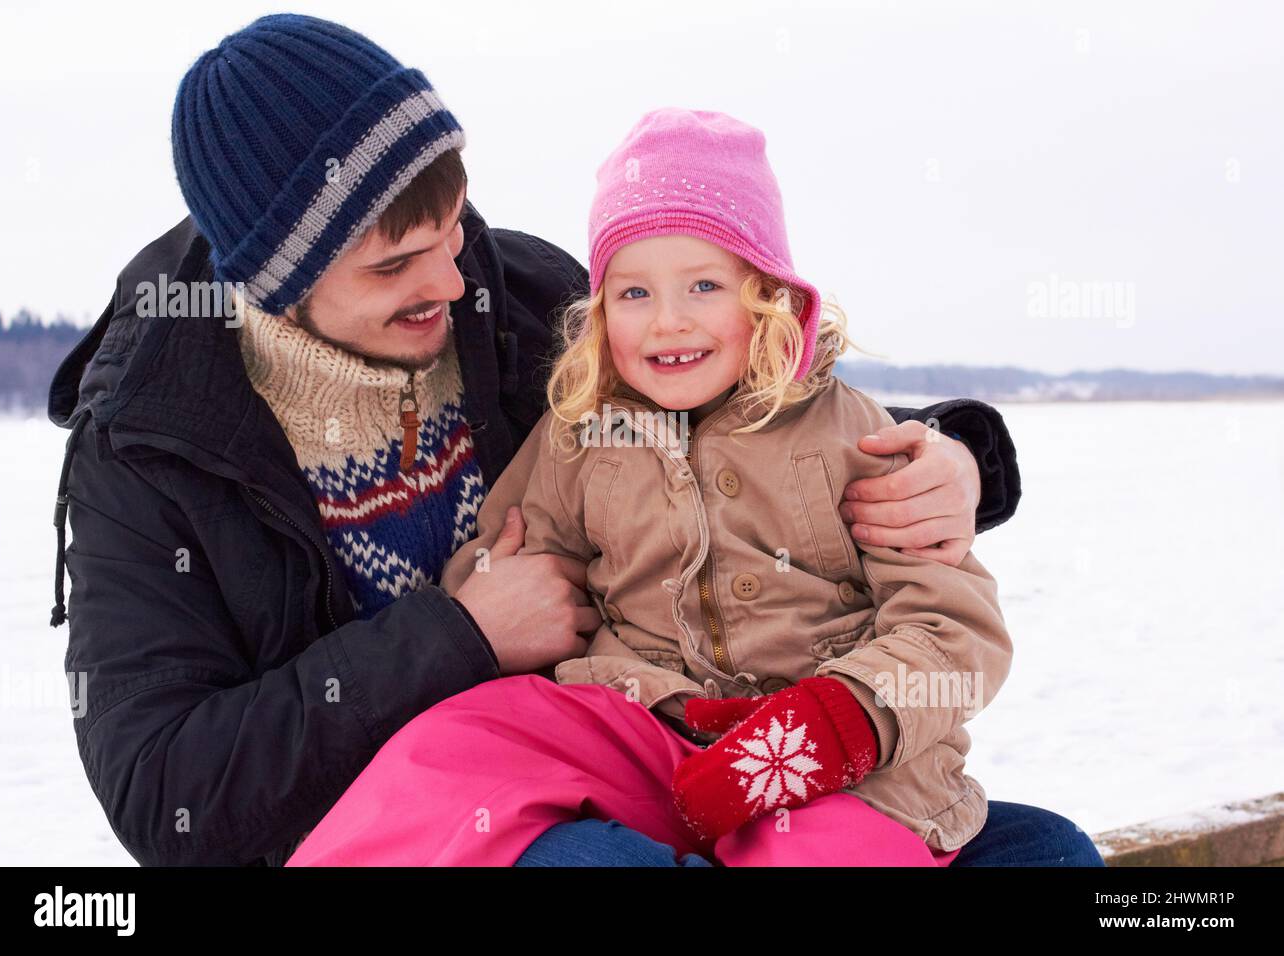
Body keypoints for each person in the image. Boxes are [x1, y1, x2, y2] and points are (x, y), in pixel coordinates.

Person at [48, 15, 1024, 867]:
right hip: (433, 819)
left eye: (449, 226)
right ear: (275, 283)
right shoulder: (148, 446)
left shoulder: (513, 293)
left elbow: (746, 399)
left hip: (683, 758)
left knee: (1040, 849)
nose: (447, 275)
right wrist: (459, 635)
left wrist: (955, 453)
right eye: (398, 264)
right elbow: (166, 799)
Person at [284, 109, 1100, 867]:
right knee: (460, 741)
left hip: (834, 760)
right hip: (649, 725)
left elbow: (954, 629)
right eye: (635, 293)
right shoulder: (582, 429)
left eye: (703, 286)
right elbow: (514, 546)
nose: (667, 321)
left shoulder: (858, 435)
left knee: (827, 852)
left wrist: (838, 719)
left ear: (769, 298)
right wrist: (483, 590)